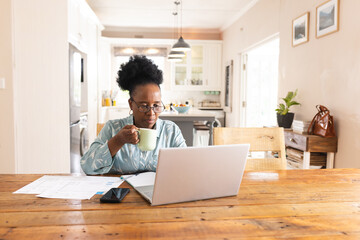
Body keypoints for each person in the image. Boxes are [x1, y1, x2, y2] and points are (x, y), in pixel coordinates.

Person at [81, 55, 186, 175]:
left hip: (158, 192)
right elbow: (87, 166)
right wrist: (118, 141)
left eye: (156, 105)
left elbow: (186, 166)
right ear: (131, 104)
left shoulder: (170, 131)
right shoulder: (112, 128)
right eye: (144, 106)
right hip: (121, 192)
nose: (151, 113)